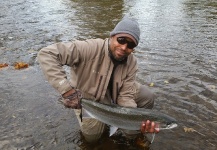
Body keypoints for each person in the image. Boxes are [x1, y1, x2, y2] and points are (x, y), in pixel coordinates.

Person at [37, 17, 159, 143]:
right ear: (112, 36)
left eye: (131, 44)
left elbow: (126, 96)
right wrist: (66, 90)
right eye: (121, 40)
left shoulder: (131, 62)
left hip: (116, 96)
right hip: (88, 101)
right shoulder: (89, 48)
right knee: (92, 138)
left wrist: (133, 119)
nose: (124, 47)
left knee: (147, 96)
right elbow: (47, 54)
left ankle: (129, 132)